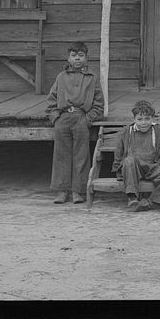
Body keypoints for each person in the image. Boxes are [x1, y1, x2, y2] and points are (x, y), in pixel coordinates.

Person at [46, 42, 104, 205]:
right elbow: (51, 99)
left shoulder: (92, 78)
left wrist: (87, 119)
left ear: (86, 58)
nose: (77, 58)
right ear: (68, 57)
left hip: (81, 118)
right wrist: (55, 117)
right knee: (61, 155)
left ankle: (78, 191)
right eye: (74, 55)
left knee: (81, 155)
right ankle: (62, 191)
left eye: (81, 55)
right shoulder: (61, 77)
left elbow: (99, 103)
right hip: (63, 118)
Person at [112, 100, 160, 212]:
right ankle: (132, 197)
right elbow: (119, 151)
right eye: (139, 119)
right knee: (129, 160)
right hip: (134, 167)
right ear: (134, 119)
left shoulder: (158, 131)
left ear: (152, 119)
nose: (143, 122)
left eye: (147, 119)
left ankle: (150, 202)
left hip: (152, 166)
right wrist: (117, 168)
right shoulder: (127, 131)